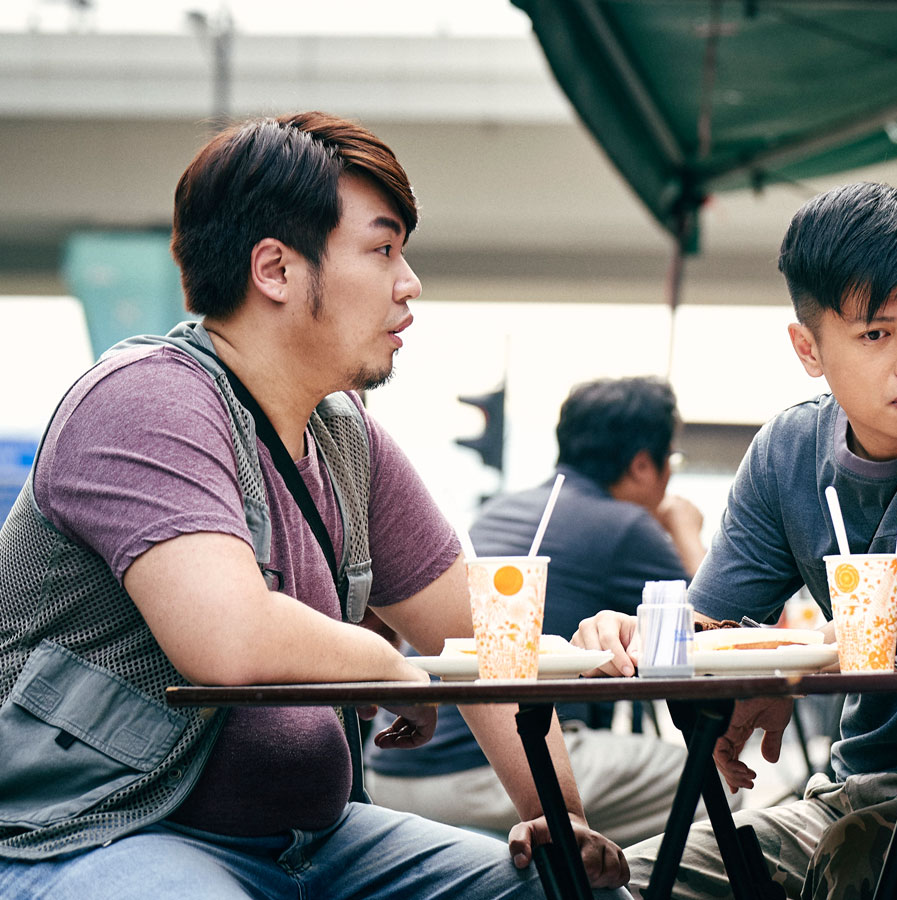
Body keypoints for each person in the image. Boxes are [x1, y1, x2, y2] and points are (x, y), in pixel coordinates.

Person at [0, 112, 628, 899]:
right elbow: (230, 638)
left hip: (319, 842)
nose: (410, 282)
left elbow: (481, 639)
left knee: (572, 889)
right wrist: (393, 668)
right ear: (275, 269)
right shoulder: (146, 401)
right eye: (383, 249)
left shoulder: (344, 434)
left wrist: (559, 819)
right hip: (99, 832)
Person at [576, 181, 897, 899]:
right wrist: (643, 636)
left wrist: (773, 671)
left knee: (861, 856)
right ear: (808, 349)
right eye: (876, 334)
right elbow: (709, 628)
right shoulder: (789, 451)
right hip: (854, 786)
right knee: (640, 880)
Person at [366, 375, 716, 847]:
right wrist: (684, 526)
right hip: (488, 769)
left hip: (392, 768)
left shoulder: (505, 510)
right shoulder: (626, 525)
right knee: (707, 778)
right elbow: (710, 629)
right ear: (640, 465)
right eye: (669, 461)